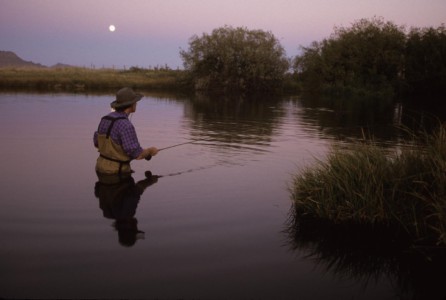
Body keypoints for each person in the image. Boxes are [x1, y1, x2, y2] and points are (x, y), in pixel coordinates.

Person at [94, 87, 158, 175]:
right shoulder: (126, 125)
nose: (136, 104)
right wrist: (150, 151)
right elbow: (137, 154)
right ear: (131, 104)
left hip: (100, 167)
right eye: (135, 102)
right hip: (116, 172)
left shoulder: (105, 119)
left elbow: (96, 143)